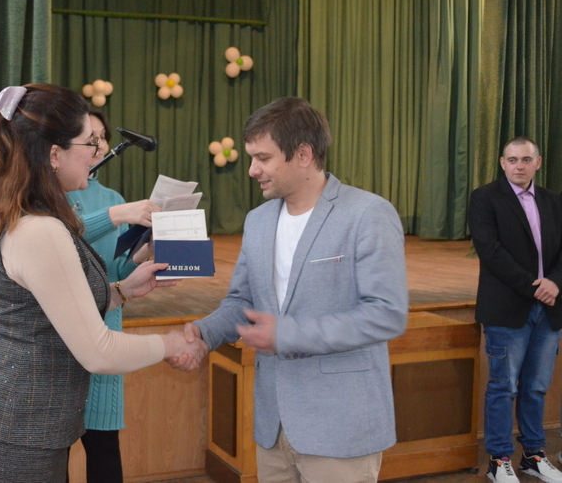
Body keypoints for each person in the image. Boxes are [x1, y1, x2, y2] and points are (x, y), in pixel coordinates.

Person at [0, 84, 205, 483]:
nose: (97, 152)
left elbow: (53, 309)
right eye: (90, 142)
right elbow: (99, 352)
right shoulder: (41, 229)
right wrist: (172, 344)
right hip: (15, 438)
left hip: (24, 429)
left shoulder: (38, 216)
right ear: (54, 155)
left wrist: (124, 290)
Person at [172, 97, 409, 483]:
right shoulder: (258, 220)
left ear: (303, 154)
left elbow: (387, 313)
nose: (253, 170)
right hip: (273, 428)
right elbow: (243, 301)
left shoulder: (367, 214)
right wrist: (204, 334)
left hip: (340, 428)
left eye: (263, 158)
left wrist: (287, 334)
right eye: (252, 157)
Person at [66, 109, 160, 483]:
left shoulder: (111, 197)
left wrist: (144, 253)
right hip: (63, 344)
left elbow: (116, 271)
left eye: (102, 136)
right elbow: (62, 236)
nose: (99, 144)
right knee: (52, 458)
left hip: (106, 332)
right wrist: (117, 214)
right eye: (90, 137)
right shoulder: (49, 196)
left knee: (105, 453)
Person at [468, 137, 562, 483]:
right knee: (503, 388)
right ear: (502, 163)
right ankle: (498, 461)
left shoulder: (554, 201)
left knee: (536, 388)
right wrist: (535, 287)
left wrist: (555, 282)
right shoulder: (484, 198)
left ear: (537, 163)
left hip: (549, 310)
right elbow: (490, 251)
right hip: (507, 309)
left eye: (525, 159)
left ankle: (534, 456)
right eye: (512, 160)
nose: (518, 166)